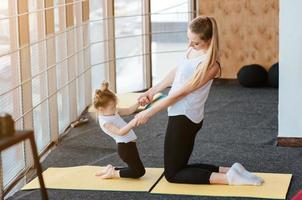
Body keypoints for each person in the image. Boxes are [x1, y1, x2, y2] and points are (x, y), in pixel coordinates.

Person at [135, 16, 264, 185]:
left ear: (209, 40)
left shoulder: (210, 65)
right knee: (179, 166)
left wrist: (150, 112)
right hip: (180, 113)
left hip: (185, 117)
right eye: (189, 39)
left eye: (195, 42)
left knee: (172, 175)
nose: (190, 45)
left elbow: (180, 94)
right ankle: (231, 171)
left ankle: (229, 179)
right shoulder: (193, 49)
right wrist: (152, 91)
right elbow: (178, 70)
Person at [93, 82, 145, 179]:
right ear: (101, 109)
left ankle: (111, 169)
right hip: (125, 148)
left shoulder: (112, 112)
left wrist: (139, 103)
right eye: (112, 107)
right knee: (139, 172)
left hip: (129, 145)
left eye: (115, 106)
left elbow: (129, 110)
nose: (115, 109)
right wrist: (133, 123)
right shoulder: (105, 122)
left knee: (136, 168)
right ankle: (114, 173)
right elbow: (120, 132)